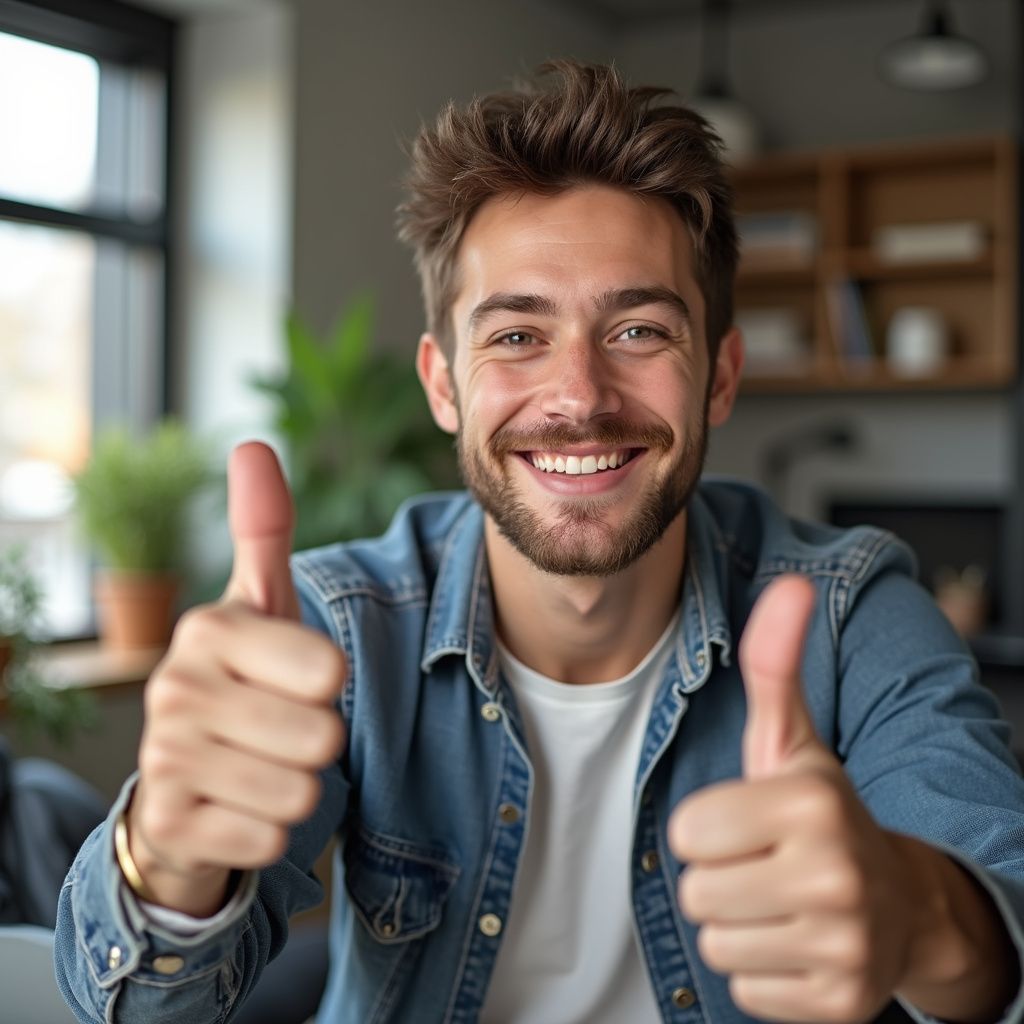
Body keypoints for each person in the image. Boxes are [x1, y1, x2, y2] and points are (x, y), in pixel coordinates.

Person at [55, 60, 1024, 1024]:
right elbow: (138, 1009)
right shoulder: (335, 633)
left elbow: (1004, 901)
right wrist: (166, 863)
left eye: (639, 330)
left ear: (719, 377)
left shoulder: (850, 614)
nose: (579, 397)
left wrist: (917, 912)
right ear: (444, 384)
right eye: (517, 336)